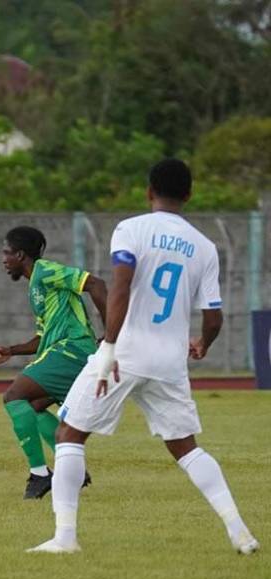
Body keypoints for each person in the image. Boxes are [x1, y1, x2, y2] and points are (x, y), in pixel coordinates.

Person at [30, 158, 259, 555]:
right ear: (188, 195)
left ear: (149, 191)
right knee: (187, 448)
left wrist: (109, 346)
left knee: (69, 433)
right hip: (169, 361)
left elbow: (120, 287)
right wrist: (203, 344)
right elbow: (214, 316)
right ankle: (239, 531)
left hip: (124, 354)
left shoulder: (131, 229)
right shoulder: (204, 246)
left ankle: (65, 538)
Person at [0, 226, 107, 499]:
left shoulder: (46, 271)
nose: (3, 259)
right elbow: (42, 336)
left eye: (7, 252)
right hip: (62, 352)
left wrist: (111, 335)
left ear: (20, 255)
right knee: (30, 407)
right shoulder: (36, 287)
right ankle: (72, 470)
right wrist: (12, 349)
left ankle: (39, 475)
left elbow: (96, 284)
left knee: (13, 397)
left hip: (72, 350)